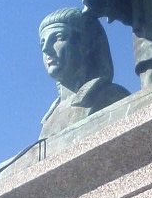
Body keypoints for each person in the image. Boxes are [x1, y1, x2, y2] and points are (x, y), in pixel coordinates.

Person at [37, 8, 128, 138]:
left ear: (86, 44)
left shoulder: (111, 96)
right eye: (42, 43)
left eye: (58, 37)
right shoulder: (48, 119)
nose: (46, 49)